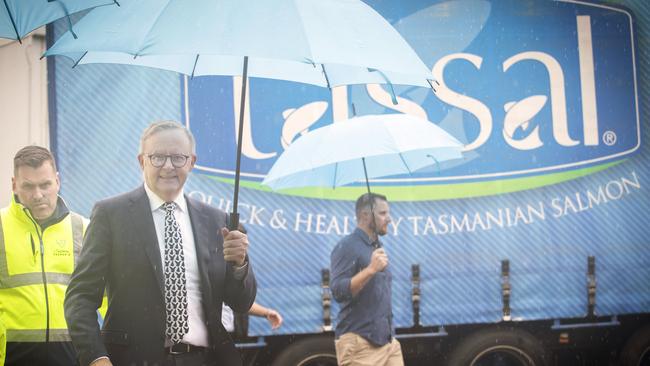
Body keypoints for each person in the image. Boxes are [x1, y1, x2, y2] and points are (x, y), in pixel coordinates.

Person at [64, 120, 257, 366]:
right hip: (132, 360)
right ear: (141, 161)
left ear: (192, 162)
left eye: (178, 157)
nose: (168, 166)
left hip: (204, 360)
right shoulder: (111, 215)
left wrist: (240, 265)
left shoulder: (216, 221)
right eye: (157, 157)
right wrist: (96, 357)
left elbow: (241, 302)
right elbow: (79, 298)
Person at [0, 146, 88, 366]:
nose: (38, 195)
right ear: (14, 185)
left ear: (57, 181)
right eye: (28, 186)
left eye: (45, 185)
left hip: (72, 356)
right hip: (11, 357)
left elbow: (108, 299)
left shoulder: (84, 229)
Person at [330, 192, 403, 366]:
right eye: (383, 213)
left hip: (388, 343)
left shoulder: (377, 247)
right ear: (365, 215)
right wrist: (370, 270)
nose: (389, 219)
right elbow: (339, 291)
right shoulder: (347, 246)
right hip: (360, 345)